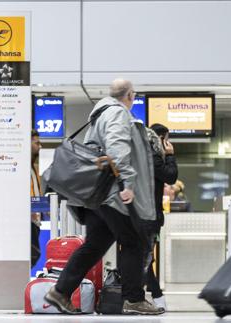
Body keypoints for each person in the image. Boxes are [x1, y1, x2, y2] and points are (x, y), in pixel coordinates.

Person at [44, 79, 163, 315]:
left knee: (95, 245)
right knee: (134, 241)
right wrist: (126, 183)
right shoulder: (117, 114)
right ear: (130, 95)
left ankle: (60, 292)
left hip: (98, 194)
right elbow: (117, 147)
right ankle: (134, 299)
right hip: (112, 193)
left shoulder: (99, 113)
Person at [144, 123, 178, 311]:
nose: (169, 143)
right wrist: (171, 156)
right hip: (148, 215)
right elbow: (171, 176)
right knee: (145, 258)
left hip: (145, 213)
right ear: (160, 138)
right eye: (167, 138)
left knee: (145, 257)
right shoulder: (153, 157)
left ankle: (143, 295)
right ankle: (154, 296)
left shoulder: (144, 155)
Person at [30, 130, 43, 268]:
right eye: (36, 143)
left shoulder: (33, 167)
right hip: (27, 220)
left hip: (35, 220)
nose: (39, 146)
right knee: (33, 253)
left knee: (34, 254)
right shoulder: (20, 167)